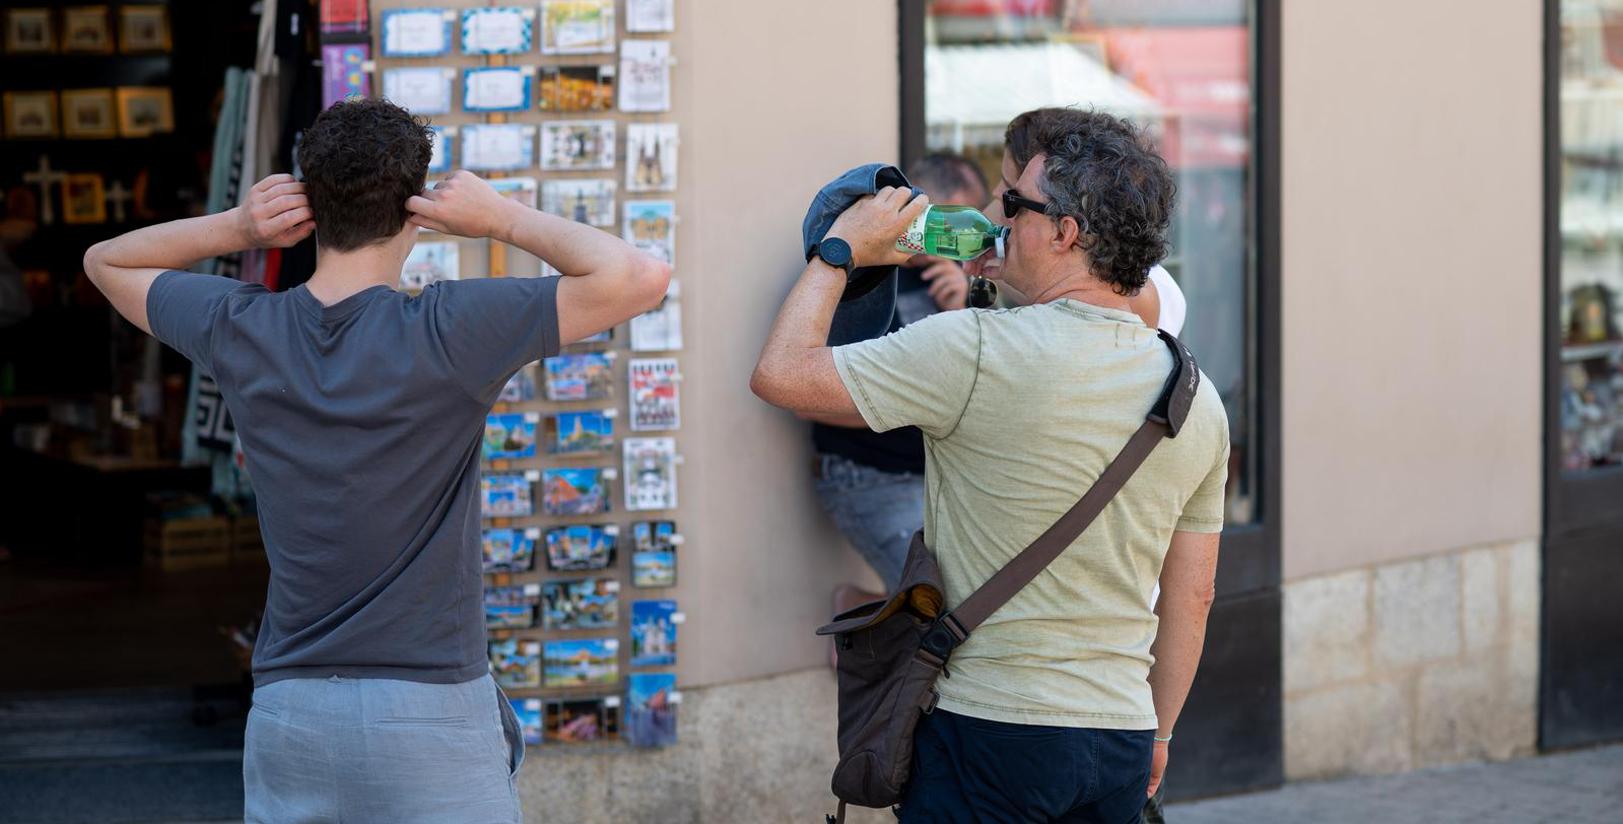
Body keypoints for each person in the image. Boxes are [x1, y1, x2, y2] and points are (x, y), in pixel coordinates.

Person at [82, 99, 669, 823]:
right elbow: (639, 276)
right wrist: (502, 219)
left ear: (307, 204)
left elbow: (105, 260)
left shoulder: (239, 326)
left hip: (291, 709)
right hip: (431, 708)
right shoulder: (450, 330)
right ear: (415, 211)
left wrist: (238, 227)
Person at [752, 107, 1228, 822]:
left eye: (1011, 204)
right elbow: (1191, 596)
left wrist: (839, 252)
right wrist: (1159, 731)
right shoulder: (1194, 392)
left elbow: (783, 375)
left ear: (1063, 232)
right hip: (1118, 735)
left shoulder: (970, 350)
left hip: (988, 728)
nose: (994, 220)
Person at [799, 153, 988, 607]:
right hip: (870, 476)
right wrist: (911, 401)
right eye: (947, 220)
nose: (956, 237)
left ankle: (863, 609)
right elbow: (805, 396)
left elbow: (985, 389)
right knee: (935, 603)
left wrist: (966, 310)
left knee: (976, 597)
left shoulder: (962, 282)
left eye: (967, 225)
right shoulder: (854, 277)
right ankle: (861, 613)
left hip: (948, 478)